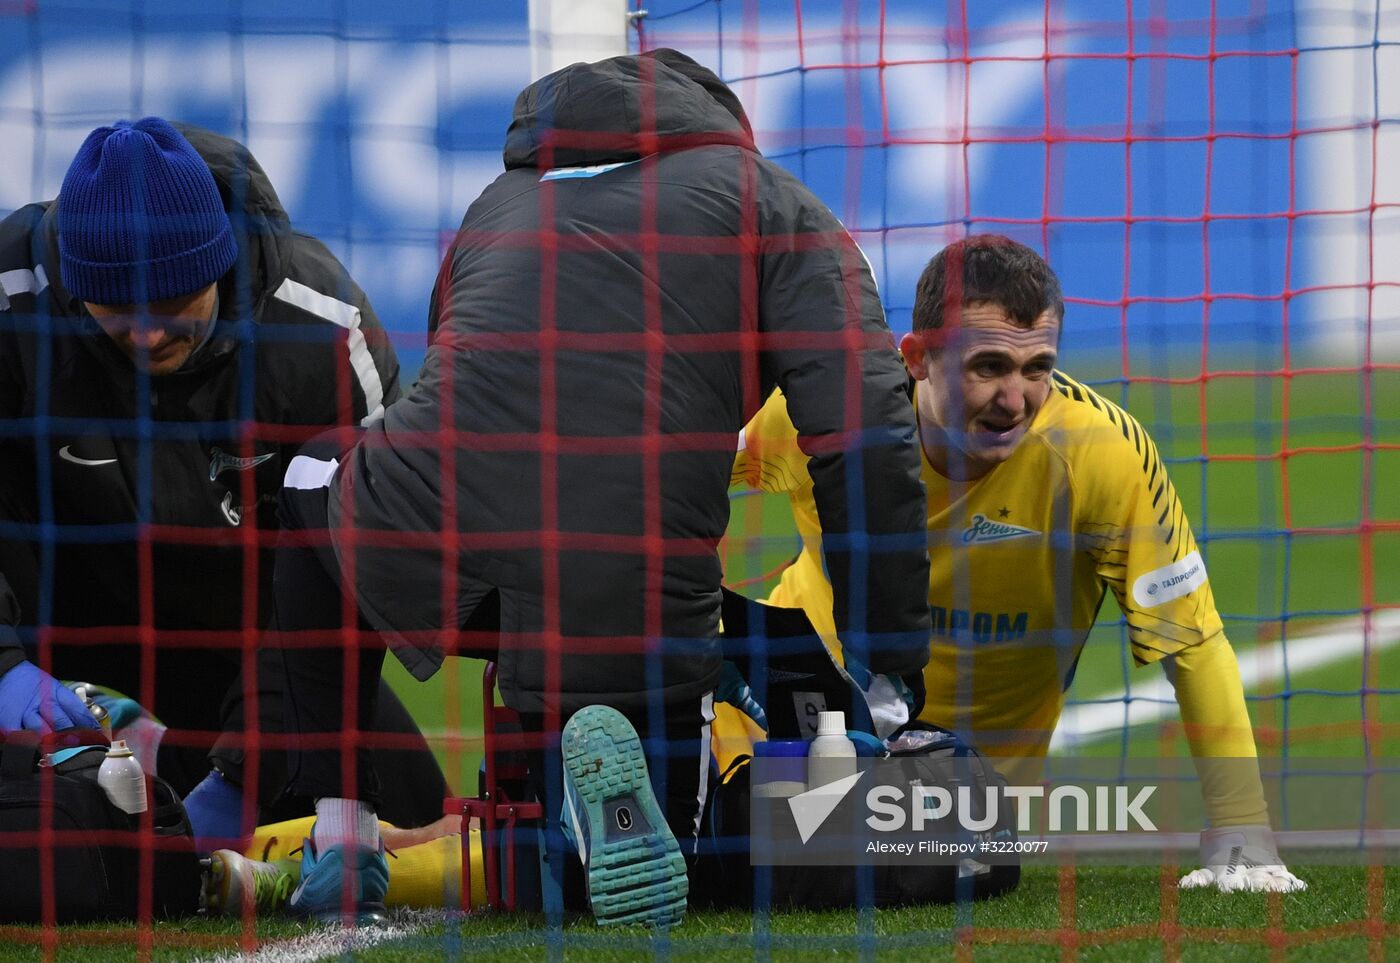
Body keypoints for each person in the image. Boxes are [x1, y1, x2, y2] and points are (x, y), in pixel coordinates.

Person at [272, 48, 931, 926]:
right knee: (652, 863)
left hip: (457, 565)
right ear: (719, 124)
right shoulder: (770, 200)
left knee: (311, 472)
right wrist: (888, 659)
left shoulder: (494, 204)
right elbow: (867, 431)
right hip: (640, 590)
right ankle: (595, 802)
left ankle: (343, 822)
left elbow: (459, 388)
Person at [732, 234, 1306, 895]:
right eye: (989, 367)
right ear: (917, 358)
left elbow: (1193, 641)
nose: (1016, 399)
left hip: (957, 792)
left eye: (1037, 368)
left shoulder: (1099, 455)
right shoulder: (829, 412)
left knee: (804, 863)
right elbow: (677, 487)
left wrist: (1244, 829)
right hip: (785, 725)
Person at [0, 117, 447, 848]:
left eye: (174, 304)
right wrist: (5, 670)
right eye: (117, 310)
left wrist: (249, 767)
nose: (147, 334)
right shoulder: (11, 299)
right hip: (58, 657)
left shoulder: (322, 331)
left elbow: (362, 568)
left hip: (264, 653)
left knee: (426, 833)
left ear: (219, 265)